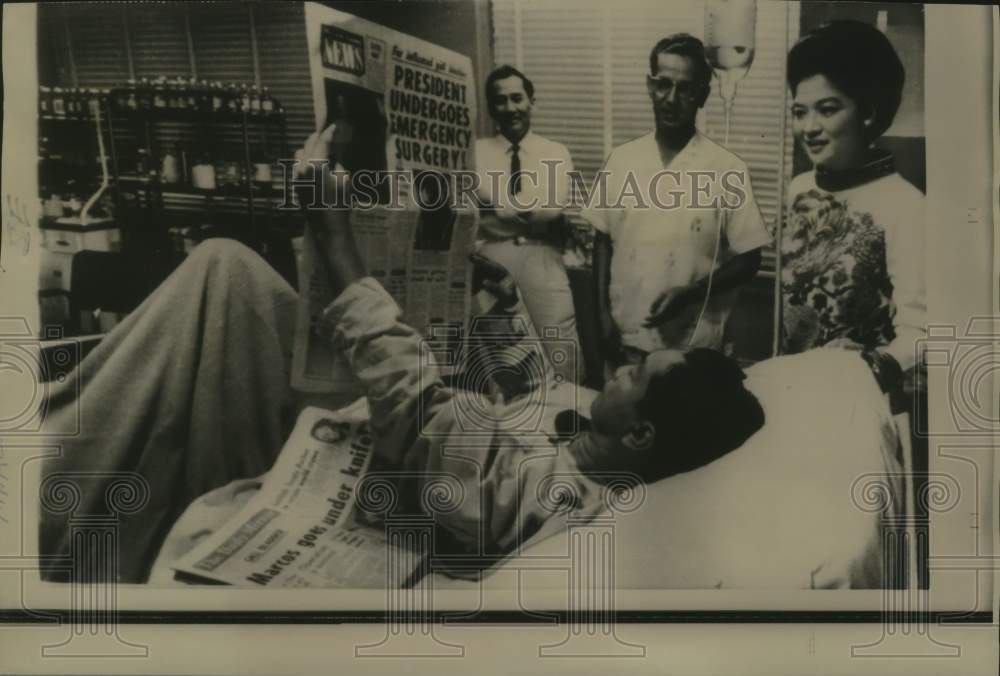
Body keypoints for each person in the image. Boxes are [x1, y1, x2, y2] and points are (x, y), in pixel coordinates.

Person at [39, 126, 765, 583]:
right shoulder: (584, 420)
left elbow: (423, 416)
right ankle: (48, 458)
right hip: (336, 433)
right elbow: (527, 385)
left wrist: (335, 239)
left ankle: (38, 490)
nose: (624, 366)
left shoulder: (563, 500)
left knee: (220, 285)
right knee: (225, 273)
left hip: (343, 487)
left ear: (639, 435)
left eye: (638, 374)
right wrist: (495, 299)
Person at [585, 34, 771, 371]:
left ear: (702, 95)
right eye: (663, 85)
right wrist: (600, 316)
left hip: (691, 347)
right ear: (649, 86)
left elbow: (750, 259)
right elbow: (601, 241)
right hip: (624, 338)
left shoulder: (726, 169)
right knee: (621, 419)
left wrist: (692, 292)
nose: (671, 99)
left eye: (685, 89)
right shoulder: (621, 161)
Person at [781, 21, 926, 393]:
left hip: (861, 400)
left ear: (867, 112)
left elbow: (923, 331)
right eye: (800, 112)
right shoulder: (798, 190)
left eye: (827, 110)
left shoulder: (907, 206)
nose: (808, 127)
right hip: (793, 388)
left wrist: (874, 368)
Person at [473, 65, 582, 382]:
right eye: (500, 101)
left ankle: (567, 418)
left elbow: (550, 209)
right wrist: (523, 210)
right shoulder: (475, 153)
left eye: (517, 98)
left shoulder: (555, 152)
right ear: (491, 107)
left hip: (541, 259)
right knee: (503, 355)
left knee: (560, 344)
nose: (510, 108)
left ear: (532, 101)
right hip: (492, 261)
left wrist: (492, 205)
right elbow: (469, 208)